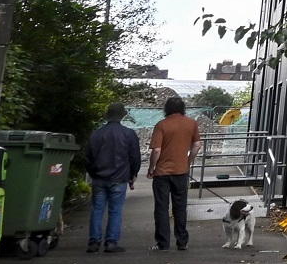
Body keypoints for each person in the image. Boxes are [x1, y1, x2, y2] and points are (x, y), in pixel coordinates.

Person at [83, 102, 139, 252]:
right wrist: (132, 174)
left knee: (97, 209)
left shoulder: (96, 134)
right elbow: (134, 157)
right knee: (115, 210)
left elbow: (88, 158)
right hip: (119, 179)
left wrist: (93, 173)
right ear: (122, 116)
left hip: (99, 178)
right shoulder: (129, 134)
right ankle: (111, 242)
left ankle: (94, 242)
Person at [148, 96, 200, 250]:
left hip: (162, 174)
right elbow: (197, 145)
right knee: (180, 207)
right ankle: (182, 242)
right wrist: (188, 161)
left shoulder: (161, 125)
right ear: (183, 108)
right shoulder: (192, 123)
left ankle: (163, 243)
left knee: (162, 208)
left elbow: (156, 150)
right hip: (181, 171)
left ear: (167, 109)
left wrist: (152, 168)